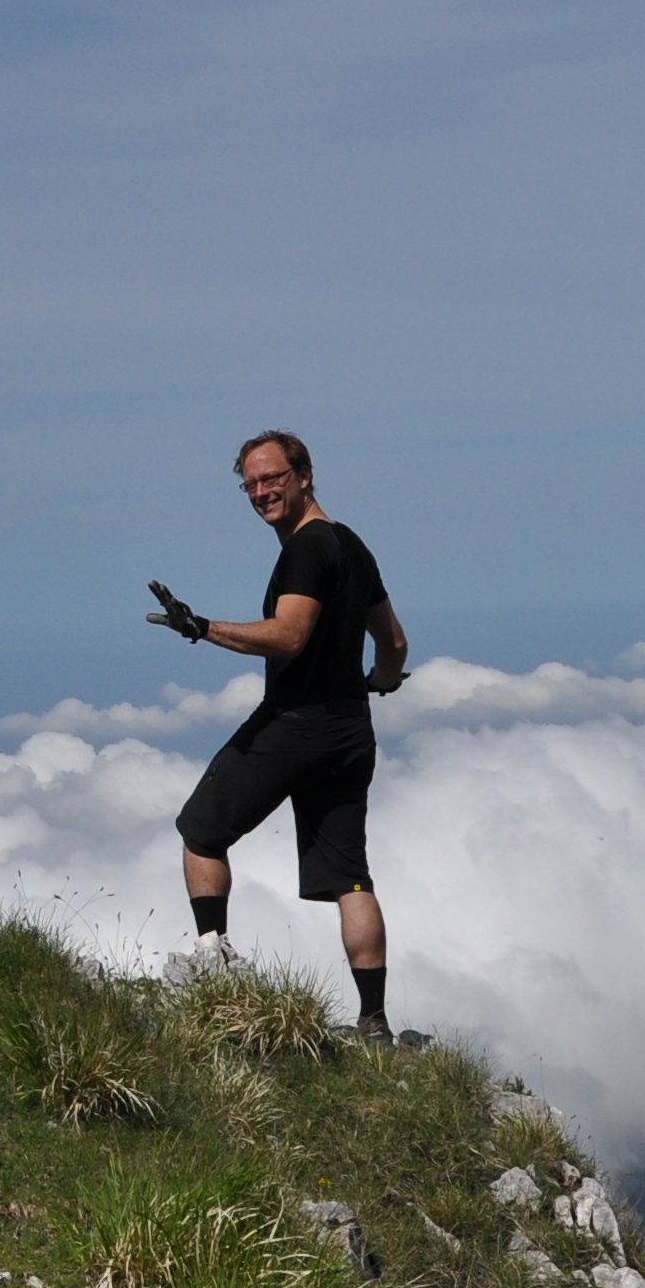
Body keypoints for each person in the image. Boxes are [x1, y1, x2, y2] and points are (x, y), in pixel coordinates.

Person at [144, 429, 409, 1037]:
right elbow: (393, 642)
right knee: (350, 877)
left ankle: (212, 966)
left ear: (305, 475)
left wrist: (202, 626)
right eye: (251, 484)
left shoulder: (306, 550)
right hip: (350, 730)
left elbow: (289, 636)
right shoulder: (350, 545)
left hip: (294, 723)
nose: (262, 491)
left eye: (273, 478)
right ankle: (374, 1022)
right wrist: (381, 682)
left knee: (200, 831)